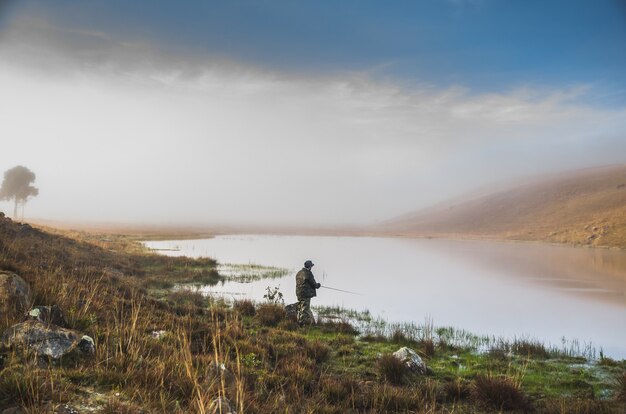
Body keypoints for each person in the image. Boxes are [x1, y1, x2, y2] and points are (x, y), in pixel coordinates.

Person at [295, 260, 321, 326]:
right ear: (310, 267)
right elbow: (314, 284)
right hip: (306, 294)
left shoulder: (299, 273)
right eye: (311, 266)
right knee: (305, 309)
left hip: (298, 293)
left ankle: (300, 322)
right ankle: (301, 324)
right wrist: (318, 285)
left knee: (300, 308)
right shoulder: (308, 273)